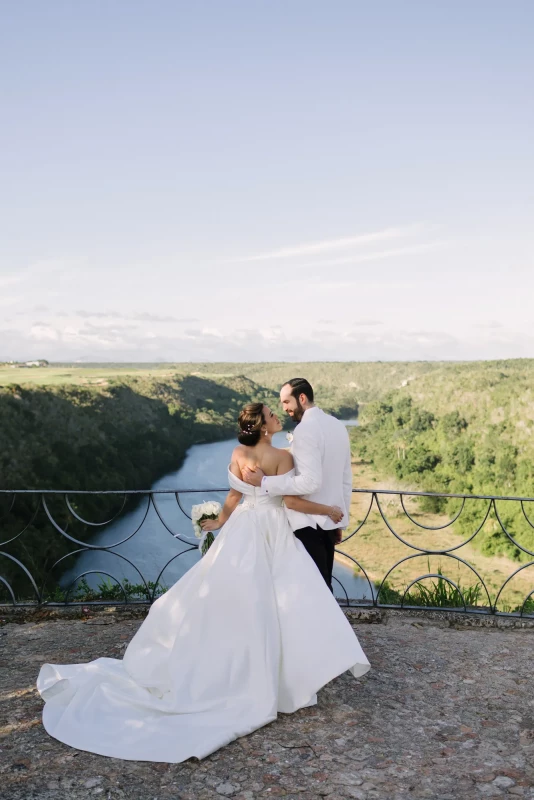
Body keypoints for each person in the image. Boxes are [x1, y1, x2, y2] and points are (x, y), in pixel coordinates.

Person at [37, 402, 370, 764]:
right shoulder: (282, 458)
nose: (278, 416)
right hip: (273, 531)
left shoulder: (238, 452)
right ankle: (281, 675)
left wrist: (221, 522)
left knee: (230, 598)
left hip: (243, 528)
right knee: (282, 601)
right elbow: (290, 499)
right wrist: (329, 513)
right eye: (272, 414)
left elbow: (234, 495)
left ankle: (232, 664)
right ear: (262, 427)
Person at [243, 378, 352, 591]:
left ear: (301, 398)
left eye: (286, 402)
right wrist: (341, 521)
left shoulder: (305, 429)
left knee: (312, 590)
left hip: (309, 525)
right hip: (330, 521)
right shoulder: (338, 425)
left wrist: (265, 481)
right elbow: (345, 479)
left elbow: (310, 483)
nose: (284, 409)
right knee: (324, 587)